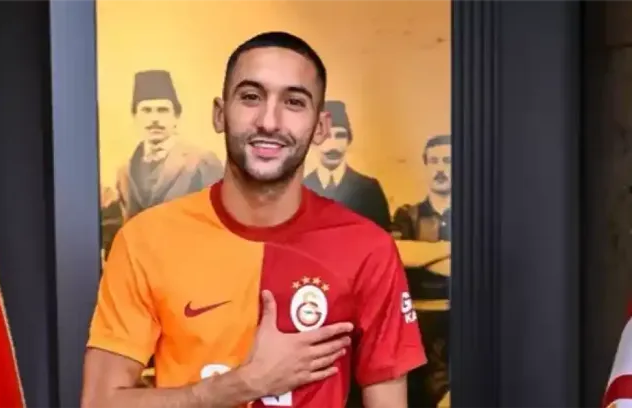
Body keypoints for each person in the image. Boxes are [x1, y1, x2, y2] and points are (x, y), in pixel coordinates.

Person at [81, 31, 425, 408]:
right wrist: (242, 384)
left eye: (294, 102)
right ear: (219, 113)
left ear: (321, 127)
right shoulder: (145, 240)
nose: (269, 121)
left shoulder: (367, 248)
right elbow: (99, 403)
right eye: (250, 97)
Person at [100, 70, 224, 258]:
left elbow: (220, 225)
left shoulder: (201, 162)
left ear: (176, 117)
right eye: (146, 110)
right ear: (135, 117)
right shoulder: (124, 170)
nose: (154, 119)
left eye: (163, 110)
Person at [391, 134, 451, 408]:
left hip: (463, 323)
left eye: (448, 161)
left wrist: (422, 256)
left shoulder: (476, 212)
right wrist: (448, 248)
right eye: (434, 161)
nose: (440, 168)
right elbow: (398, 253)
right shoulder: (407, 215)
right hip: (418, 324)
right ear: (426, 166)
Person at [303, 100, 392, 231]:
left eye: (340, 136)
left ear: (348, 141)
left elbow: (382, 238)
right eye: (326, 136)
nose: (333, 145)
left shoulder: (369, 190)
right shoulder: (300, 191)